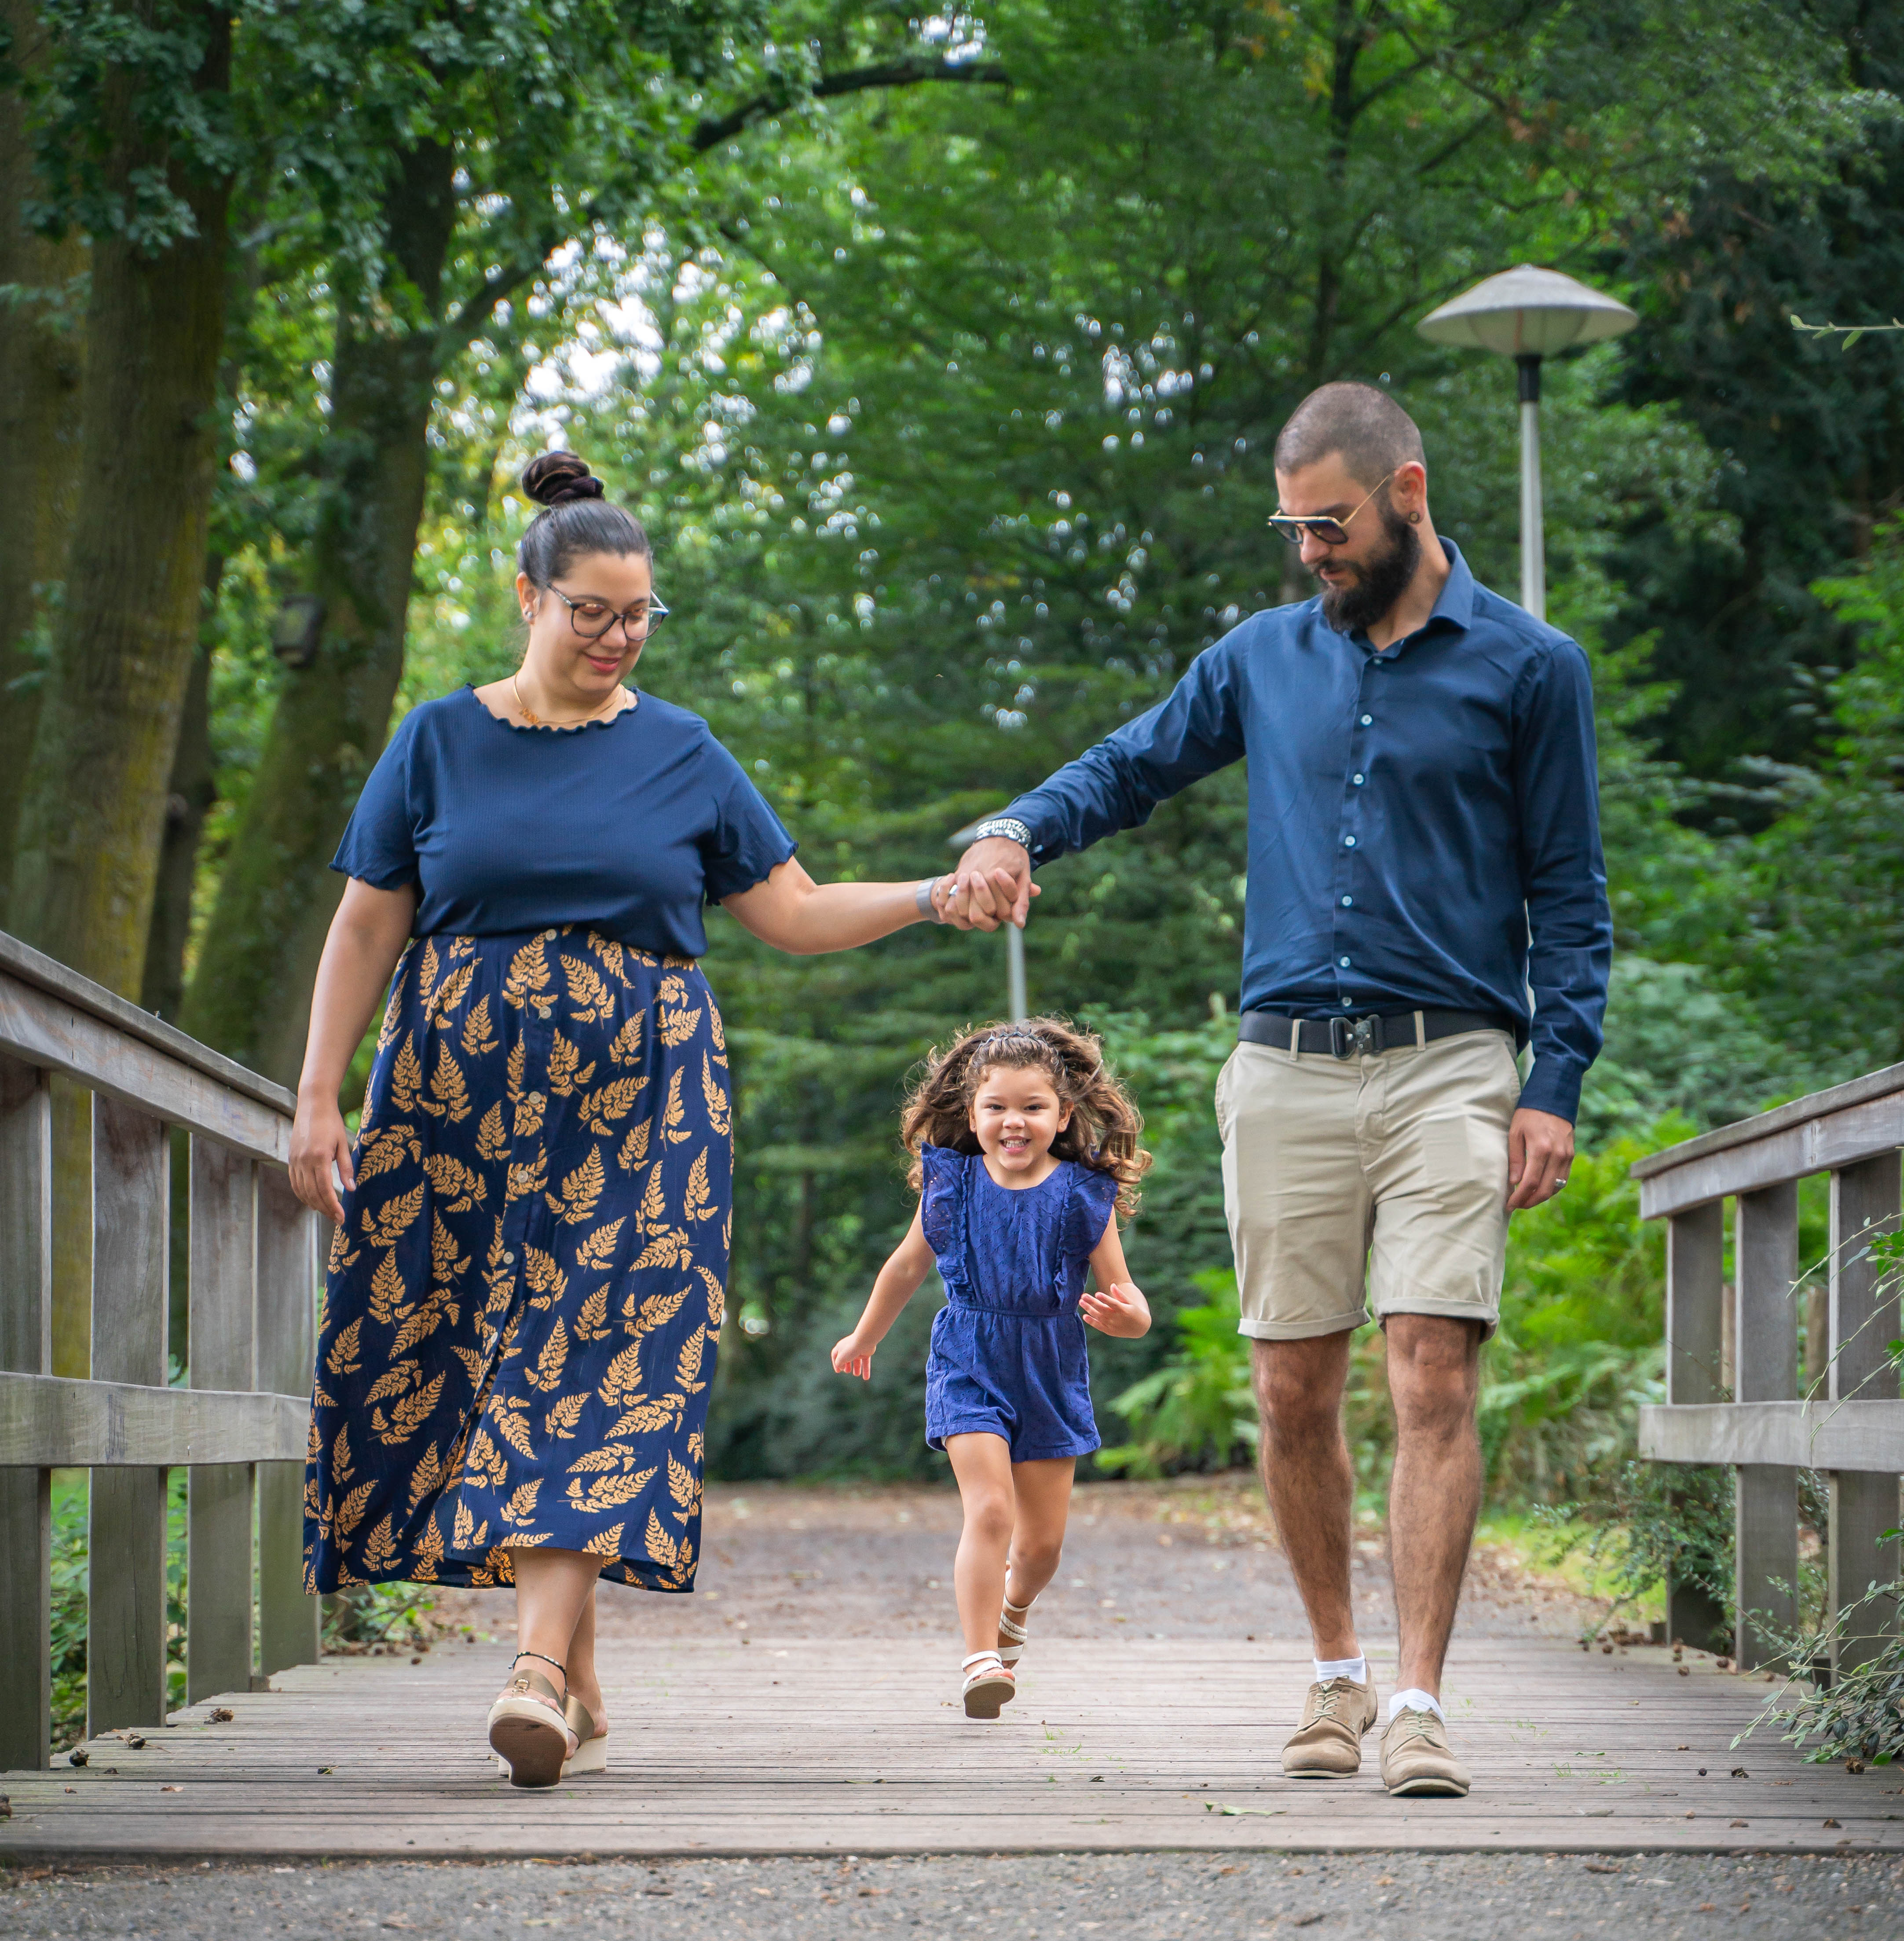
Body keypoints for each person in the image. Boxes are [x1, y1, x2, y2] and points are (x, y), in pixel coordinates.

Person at [946, 382, 1611, 1797]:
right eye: (1295, 526)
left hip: (1453, 1061)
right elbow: (1132, 767)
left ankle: (1422, 1700)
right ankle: (1335, 1677)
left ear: (1409, 494)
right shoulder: (1261, 657)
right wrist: (1017, 825)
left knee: (1433, 1368)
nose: (1311, 550)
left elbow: (1572, 894)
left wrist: (1555, 1079)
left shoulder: (1533, 667)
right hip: (1287, 1066)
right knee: (1292, 1383)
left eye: (1333, 522)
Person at [290, 450, 971, 1787]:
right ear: (529, 599)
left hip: (642, 1106)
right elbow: (369, 920)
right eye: (593, 611)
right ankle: (579, 1672)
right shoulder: (436, 739)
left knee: (604, 1349)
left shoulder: (683, 752)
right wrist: (318, 1092)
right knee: (475, 1357)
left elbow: (792, 912)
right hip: (449, 1103)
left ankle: (538, 1669)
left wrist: (935, 895)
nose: (618, 637)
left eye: (640, 614)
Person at [830, 1020, 1151, 1715]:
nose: (1014, 1121)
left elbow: (1129, 1295)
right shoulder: (953, 1184)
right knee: (992, 1509)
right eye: (997, 1107)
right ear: (971, 1116)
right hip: (969, 1358)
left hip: (1050, 1369)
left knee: (1040, 1548)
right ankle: (980, 1659)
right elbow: (907, 1265)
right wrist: (864, 1336)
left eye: (1033, 1107)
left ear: (1062, 1115)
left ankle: (1012, 1611)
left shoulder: (1082, 1196)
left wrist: (1131, 1319)